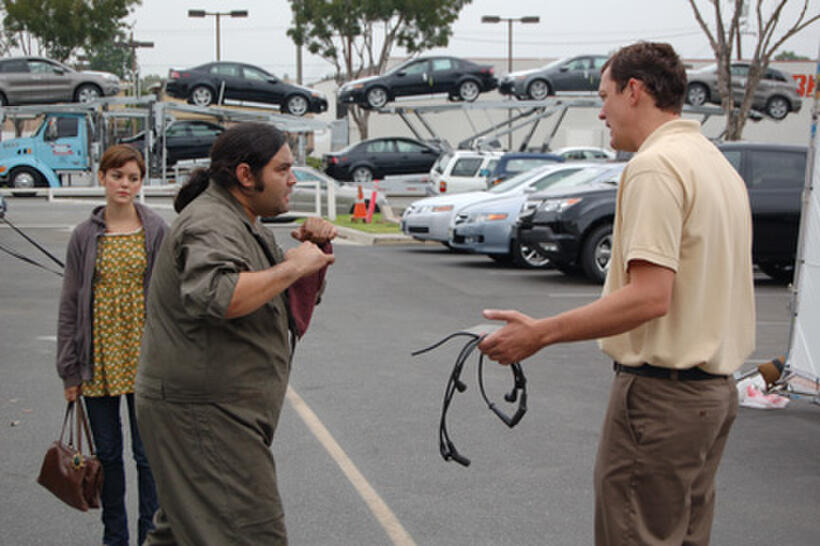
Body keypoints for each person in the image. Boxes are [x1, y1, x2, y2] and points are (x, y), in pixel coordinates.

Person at [478, 42, 755, 545]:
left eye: (605, 97)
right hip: (712, 396)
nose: (601, 113)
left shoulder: (655, 167)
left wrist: (540, 334)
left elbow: (650, 298)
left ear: (635, 90)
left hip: (661, 401)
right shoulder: (716, 165)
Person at [135, 122, 337, 546]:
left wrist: (309, 257)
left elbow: (273, 300)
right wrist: (293, 266)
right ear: (246, 175)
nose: (293, 178)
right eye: (282, 169)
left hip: (214, 410)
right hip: (206, 415)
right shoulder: (211, 222)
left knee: (179, 534)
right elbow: (219, 295)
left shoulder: (241, 220)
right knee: (251, 534)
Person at [57, 144, 168, 546]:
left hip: (147, 358)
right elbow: (70, 303)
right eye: (117, 175)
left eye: (133, 177)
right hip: (98, 358)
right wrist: (69, 370)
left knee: (148, 457)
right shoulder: (85, 235)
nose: (125, 184)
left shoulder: (156, 230)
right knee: (108, 457)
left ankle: (150, 538)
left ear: (142, 183)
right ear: (102, 177)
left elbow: (170, 298)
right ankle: (115, 539)